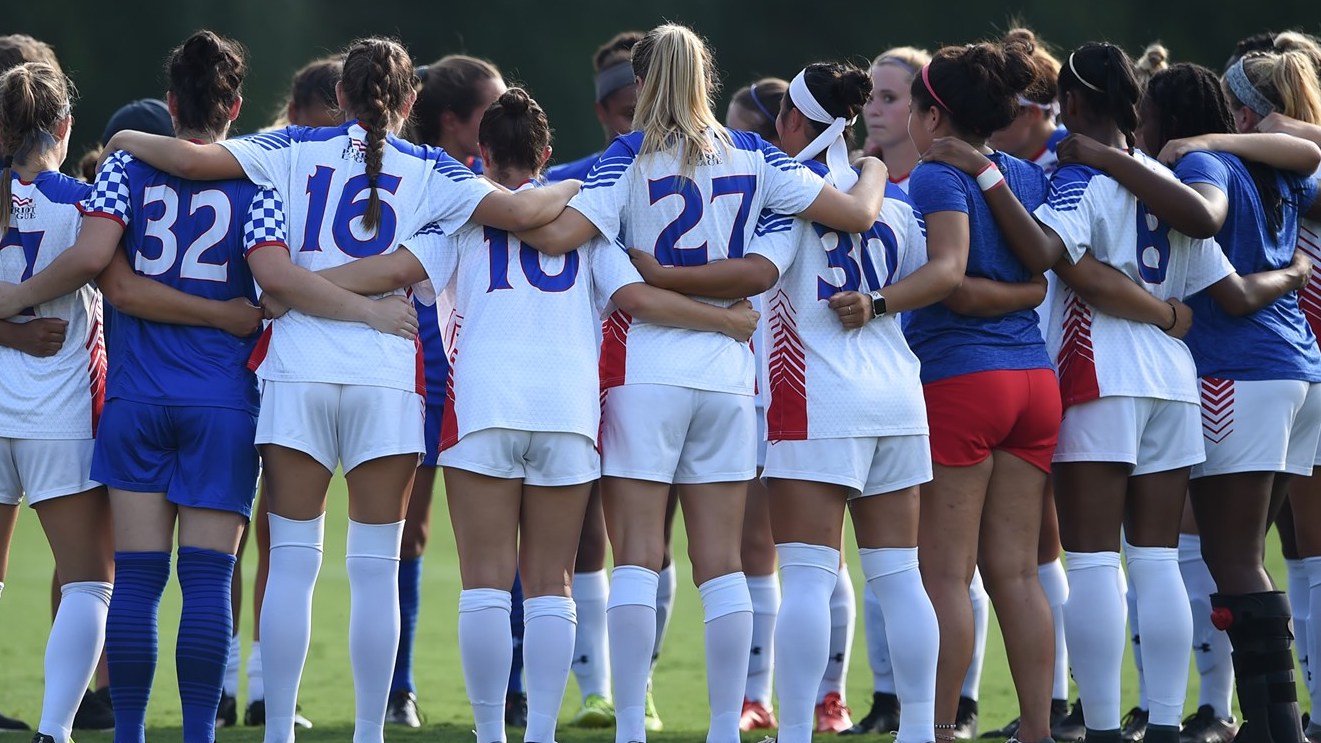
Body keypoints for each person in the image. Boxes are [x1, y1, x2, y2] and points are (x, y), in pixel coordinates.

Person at [104, 35, 580, 743]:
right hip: (384, 374)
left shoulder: (289, 147)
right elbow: (519, 213)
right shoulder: (433, 169)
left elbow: (192, 158)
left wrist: (122, 134)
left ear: (340, 96)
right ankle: (366, 731)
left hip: (297, 374)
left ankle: (277, 732)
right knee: (373, 570)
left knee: (291, 564)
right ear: (410, 101)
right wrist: (586, 179)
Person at [0, 31, 424, 743]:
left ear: (170, 103)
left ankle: (130, 732)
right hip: (222, 403)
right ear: (235, 106)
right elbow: (274, 284)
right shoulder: (260, 179)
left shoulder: (123, 173)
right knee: (205, 581)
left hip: (135, 402)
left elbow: (111, 274)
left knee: (134, 582)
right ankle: (198, 733)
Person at [310, 84, 763, 743]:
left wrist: (302, 288)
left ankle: (493, 732)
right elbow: (638, 298)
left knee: (485, 582)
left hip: (483, 407)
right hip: (568, 413)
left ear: (482, 154)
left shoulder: (462, 217)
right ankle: (543, 731)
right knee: (551, 584)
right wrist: (725, 324)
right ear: (547, 153)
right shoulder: (586, 222)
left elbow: (387, 270)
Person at [514, 23, 889, 743]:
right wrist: (870, 163)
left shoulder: (625, 156)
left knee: (635, 559)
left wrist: (521, 197)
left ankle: (629, 726)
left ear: (643, 81)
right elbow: (854, 213)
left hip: (643, 372)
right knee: (722, 566)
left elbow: (557, 237)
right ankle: (722, 727)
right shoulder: (751, 152)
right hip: (726, 379)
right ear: (705, 77)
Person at [633, 59, 948, 743]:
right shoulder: (894, 204)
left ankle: (797, 732)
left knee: (806, 576)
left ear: (793, 121)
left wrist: (658, 272)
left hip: (816, 400)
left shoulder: (782, 197)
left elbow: (751, 272)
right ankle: (923, 728)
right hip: (897, 397)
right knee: (899, 577)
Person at [1074, 56, 1321, 743]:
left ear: (1174, 120)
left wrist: (1190, 153)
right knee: (1249, 556)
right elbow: (1310, 151)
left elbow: (1207, 219)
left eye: (1147, 115)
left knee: (1230, 556)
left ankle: (1275, 727)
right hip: (1296, 370)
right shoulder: (1273, 166)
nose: (1139, 125)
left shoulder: (1205, 167)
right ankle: (1272, 722)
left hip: (1236, 370)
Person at [903, 39, 1060, 743]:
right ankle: (1034, 729)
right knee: (1017, 574)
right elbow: (1038, 275)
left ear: (933, 116)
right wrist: (1022, 292)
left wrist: (885, 299)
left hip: (962, 380)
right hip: (1032, 379)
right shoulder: (1023, 174)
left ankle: (936, 729)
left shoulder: (934, 175)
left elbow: (950, 280)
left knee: (944, 576)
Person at [0, 61, 113, 743]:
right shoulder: (84, 202)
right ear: (64, 127)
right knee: (88, 582)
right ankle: (54, 730)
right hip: (59, 416)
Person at [239, 52, 345, 732]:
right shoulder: (270, 162)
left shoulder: (267, 163)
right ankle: (234, 679)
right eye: (321, 123)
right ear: (299, 116)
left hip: (266, 362)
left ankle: (255, 684)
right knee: (232, 531)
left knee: (270, 531)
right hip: (249, 360)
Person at [723, 73, 788, 735]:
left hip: (771, 382)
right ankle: (758, 694)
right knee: (763, 548)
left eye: (739, 126)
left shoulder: (777, 192)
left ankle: (766, 692)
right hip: (752, 379)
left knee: (774, 548)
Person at [546, 31, 643, 183]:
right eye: (631, 114)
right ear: (602, 112)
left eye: (652, 112)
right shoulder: (555, 182)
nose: (644, 126)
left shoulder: (686, 177)